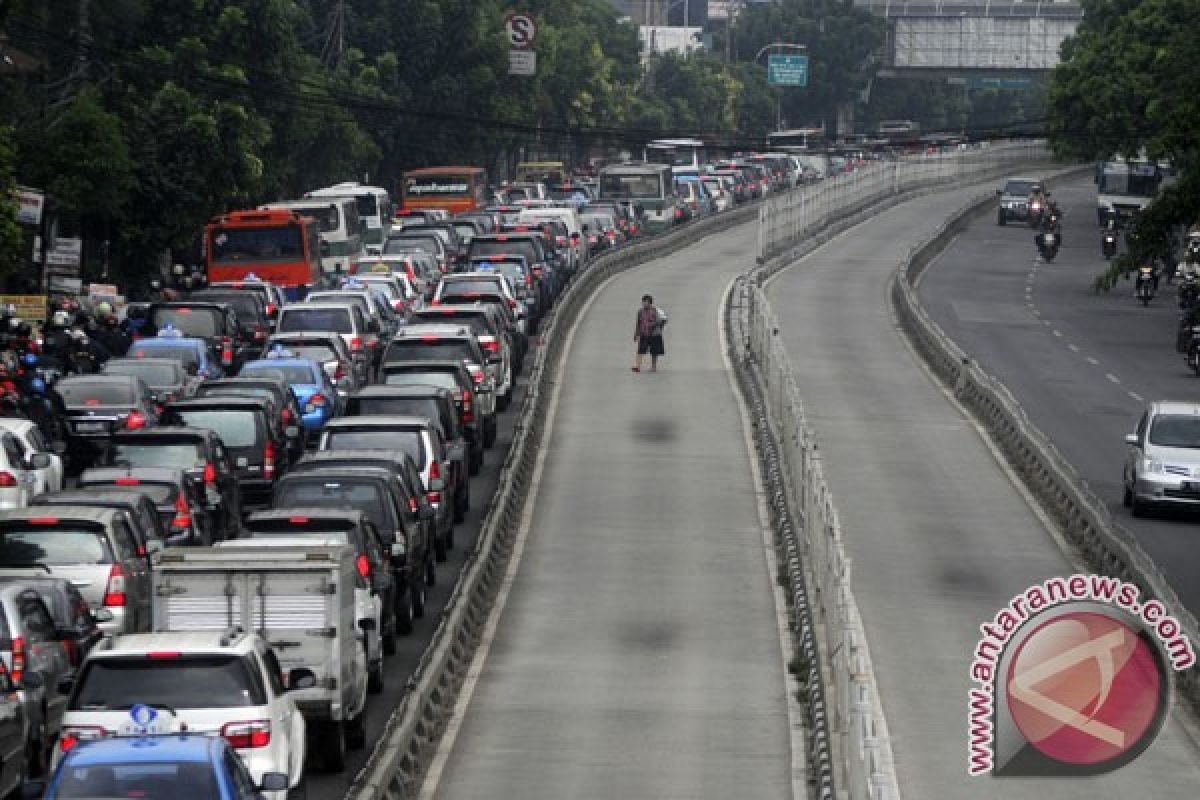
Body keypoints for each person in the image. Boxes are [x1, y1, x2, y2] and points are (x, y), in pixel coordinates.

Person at [632, 294, 666, 373]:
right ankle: (637, 366)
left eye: (646, 302)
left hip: (655, 334)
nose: (644, 303)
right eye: (643, 302)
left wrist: (652, 324)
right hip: (644, 333)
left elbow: (660, 320)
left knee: (654, 351)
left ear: (650, 303)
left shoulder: (656, 310)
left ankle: (653, 367)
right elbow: (638, 323)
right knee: (640, 350)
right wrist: (636, 334)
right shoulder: (640, 311)